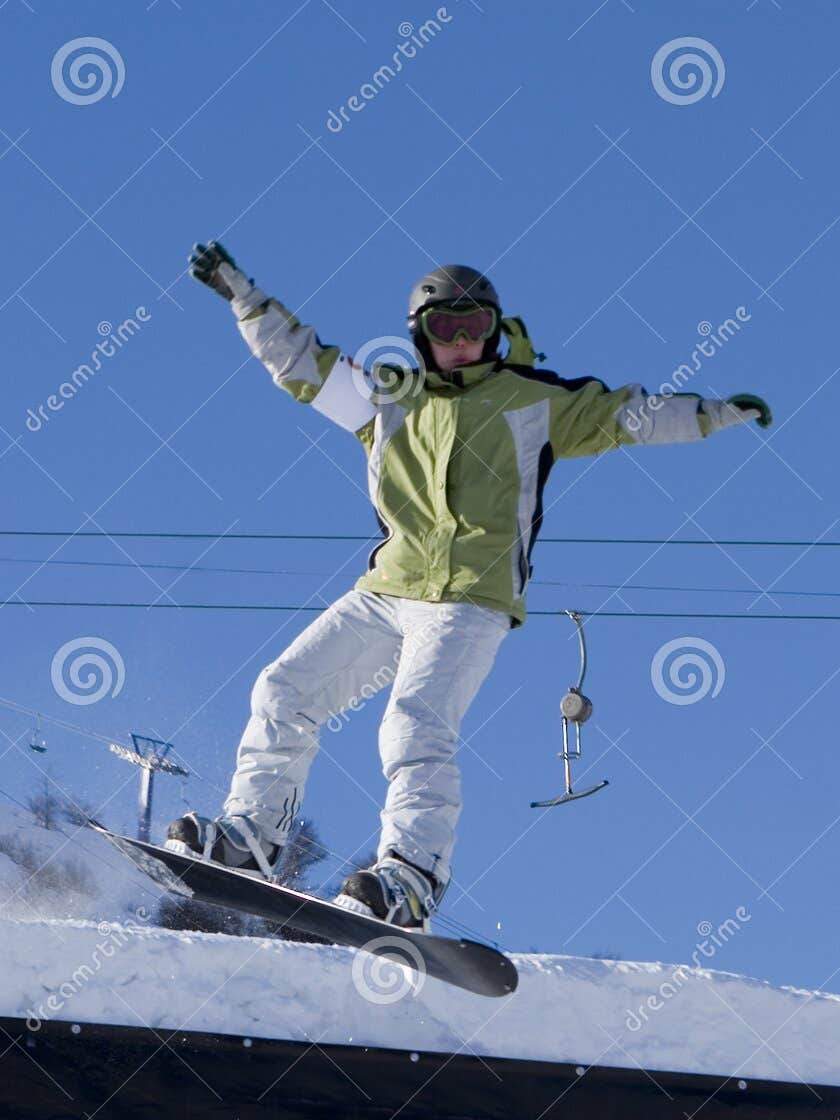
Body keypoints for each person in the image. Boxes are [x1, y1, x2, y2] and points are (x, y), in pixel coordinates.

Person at [168, 243, 772, 929]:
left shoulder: (534, 400)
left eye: (475, 327)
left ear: (495, 329)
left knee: (415, 722)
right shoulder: (386, 398)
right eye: (444, 329)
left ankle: (412, 873)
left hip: (469, 598)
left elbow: (629, 416)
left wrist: (713, 414)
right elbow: (300, 363)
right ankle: (252, 836)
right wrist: (243, 297)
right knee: (284, 688)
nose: (461, 341)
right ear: (420, 336)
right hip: (389, 587)